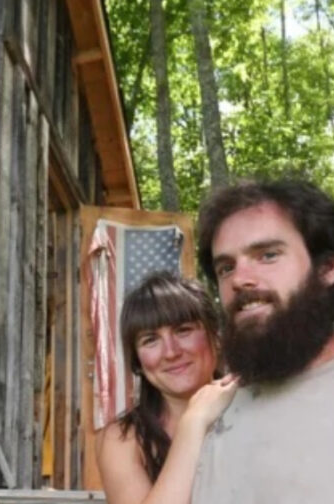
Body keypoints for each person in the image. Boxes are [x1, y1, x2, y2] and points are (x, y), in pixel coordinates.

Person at [193, 179, 334, 503]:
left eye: (268, 255)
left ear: (326, 268)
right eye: (226, 267)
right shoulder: (216, 406)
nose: (240, 279)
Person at [97, 272, 238, 504]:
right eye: (150, 340)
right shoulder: (122, 439)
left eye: (183, 330)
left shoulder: (256, 409)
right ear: (137, 362)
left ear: (216, 337)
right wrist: (194, 422)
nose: (171, 352)